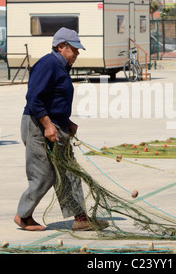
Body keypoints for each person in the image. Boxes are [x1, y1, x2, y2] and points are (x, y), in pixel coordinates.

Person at [14, 27, 108, 231]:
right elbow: (34, 98)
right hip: (37, 126)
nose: (77, 53)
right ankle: (23, 215)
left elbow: (53, 99)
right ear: (61, 46)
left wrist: (66, 121)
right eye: (74, 49)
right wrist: (48, 125)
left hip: (55, 125)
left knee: (69, 172)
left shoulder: (61, 66)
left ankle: (80, 218)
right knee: (44, 174)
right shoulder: (48, 64)